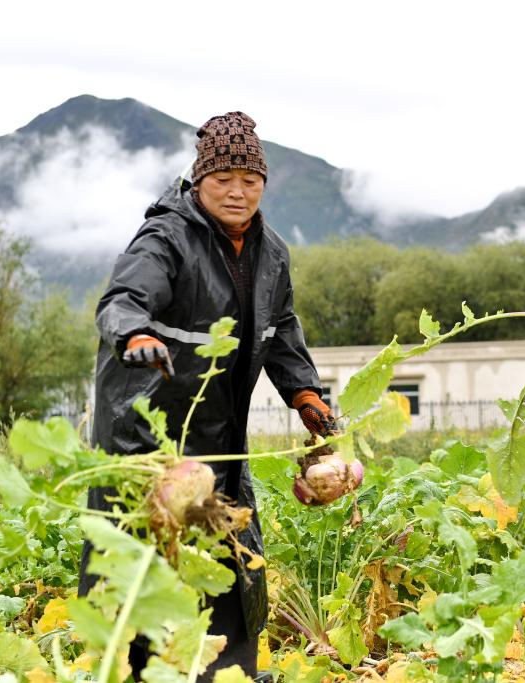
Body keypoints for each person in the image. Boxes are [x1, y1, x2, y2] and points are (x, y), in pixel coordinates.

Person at [80, 112, 337, 680]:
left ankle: (229, 672)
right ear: (200, 182)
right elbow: (122, 298)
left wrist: (305, 394)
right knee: (146, 564)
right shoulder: (166, 237)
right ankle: (138, 671)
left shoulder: (270, 253)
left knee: (228, 557)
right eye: (224, 179)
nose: (237, 191)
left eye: (250, 179)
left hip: (221, 435)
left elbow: (282, 329)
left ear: (264, 184)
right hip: (148, 437)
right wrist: (134, 333)